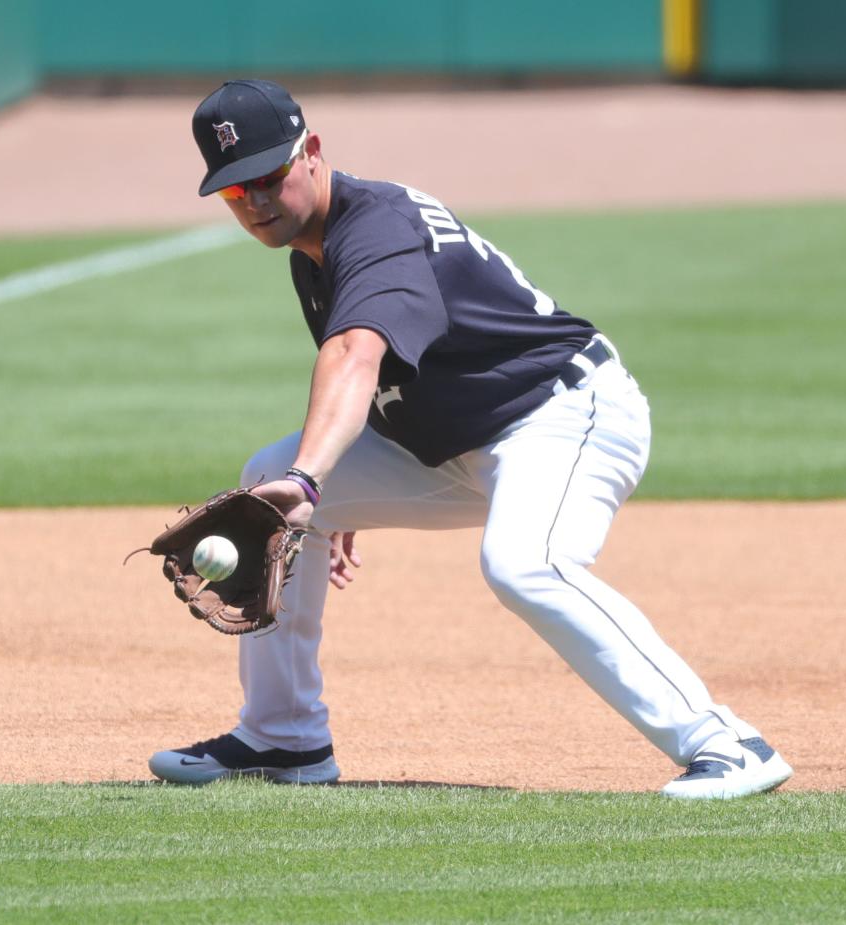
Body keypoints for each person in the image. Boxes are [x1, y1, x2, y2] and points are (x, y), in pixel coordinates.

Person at [148, 79, 793, 799]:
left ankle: (728, 744)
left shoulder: (379, 228)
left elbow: (357, 355)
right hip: (458, 442)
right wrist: (329, 490)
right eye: (238, 193)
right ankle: (284, 738)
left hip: (561, 414)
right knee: (266, 476)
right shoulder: (314, 248)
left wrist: (312, 480)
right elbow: (399, 372)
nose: (258, 202)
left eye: (268, 177)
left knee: (524, 564)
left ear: (313, 152)